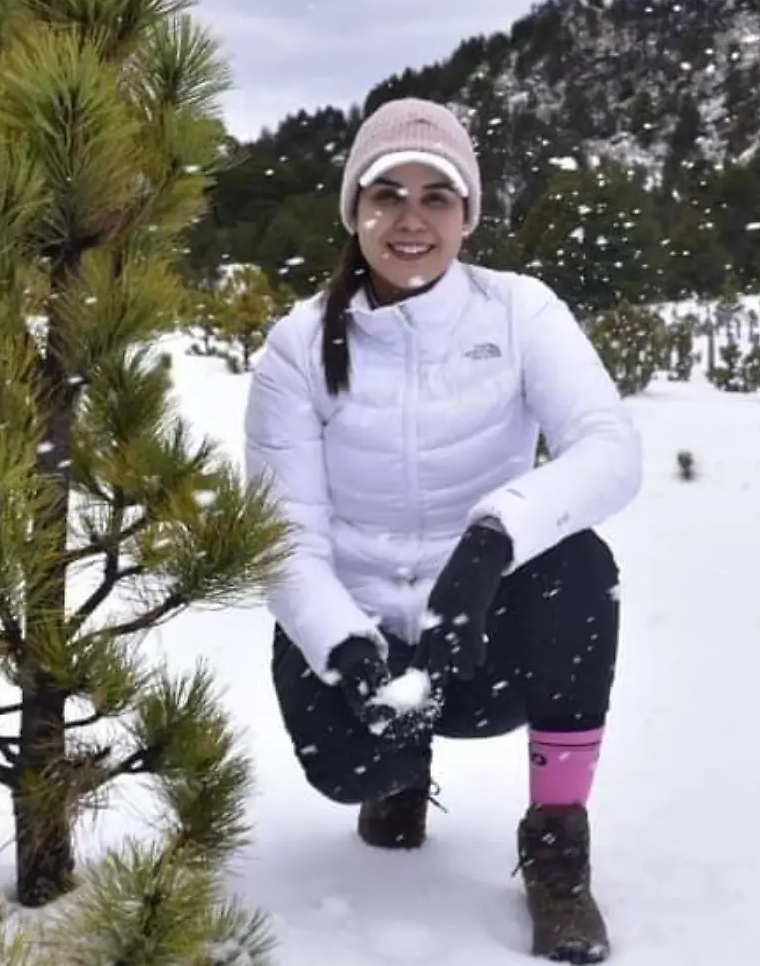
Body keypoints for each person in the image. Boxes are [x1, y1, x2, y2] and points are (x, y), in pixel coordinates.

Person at [242, 96, 643, 964]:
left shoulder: (518, 312)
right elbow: (282, 538)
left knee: (580, 570)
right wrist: (345, 647)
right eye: (387, 193)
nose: (411, 219)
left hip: (482, 633)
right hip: (363, 630)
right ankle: (398, 771)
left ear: (468, 214)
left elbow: (609, 449)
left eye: (438, 195)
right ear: (356, 211)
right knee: (350, 768)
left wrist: (492, 544)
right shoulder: (298, 347)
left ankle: (556, 846)